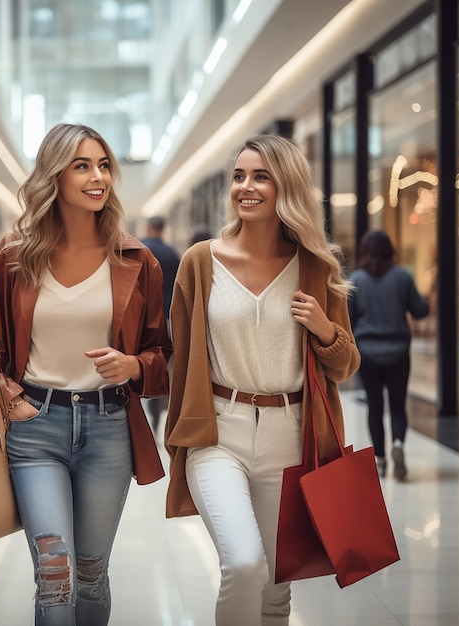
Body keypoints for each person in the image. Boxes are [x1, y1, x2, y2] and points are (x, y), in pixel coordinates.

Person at [0, 122, 172, 626]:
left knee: (90, 573)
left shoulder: (137, 260)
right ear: (54, 177)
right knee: (55, 577)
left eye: (103, 165)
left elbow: (161, 356)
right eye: (82, 165)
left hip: (108, 427)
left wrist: (132, 366)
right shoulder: (16, 258)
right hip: (36, 427)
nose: (97, 176)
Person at [164, 134, 360, 626]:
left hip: (290, 436)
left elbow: (345, 365)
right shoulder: (199, 262)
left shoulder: (315, 267)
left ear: (286, 187)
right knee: (245, 563)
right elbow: (179, 357)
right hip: (218, 433)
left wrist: (325, 330)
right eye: (239, 176)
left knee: (276, 586)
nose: (245, 187)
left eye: (260, 176)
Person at [348, 229, 429, 480]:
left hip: (368, 353)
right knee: (397, 406)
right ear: (390, 251)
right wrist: (427, 300)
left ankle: (381, 460)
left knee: (374, 406)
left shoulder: (357, 279)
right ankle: (397, 444)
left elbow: (349, 319)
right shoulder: (403, 277)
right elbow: (419, 311)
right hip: (398, 352)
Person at [140, 215, 179, 436]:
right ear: (163, 228)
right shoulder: (172, 253)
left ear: (148, 227)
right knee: (161, 365)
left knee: (140, 364)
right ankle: (156, 414)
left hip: (141, 320)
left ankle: (141, 411)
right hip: (165, 318)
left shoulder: (139, 248)